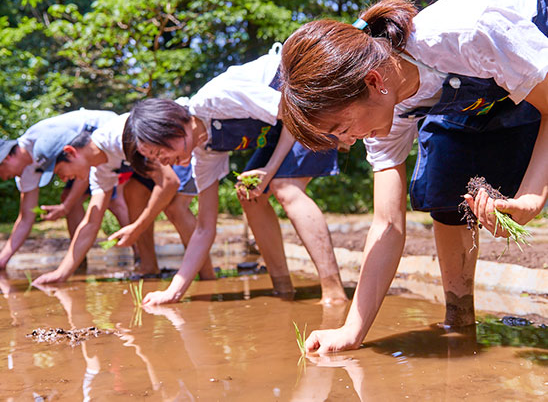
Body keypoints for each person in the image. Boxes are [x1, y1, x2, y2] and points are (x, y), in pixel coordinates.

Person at [278, 0, 548, 353]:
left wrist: (531, 198)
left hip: (537, 37)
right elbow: (387, 224)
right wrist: (351, 332)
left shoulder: (468, 33)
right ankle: (459, 318)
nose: (345, 143)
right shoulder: (387, 108)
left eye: (341, 127)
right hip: (474, 91)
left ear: (373, 81)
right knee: (444, 187)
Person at [114, 45, 347, 306]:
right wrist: (173, 292)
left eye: (160, 150)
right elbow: (204, 229)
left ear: (171, 124)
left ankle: (334, 292)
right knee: (249, 193)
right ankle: (283, 289)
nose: (164, 161)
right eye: (156, 159)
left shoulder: (216, 99)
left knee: (284, 185)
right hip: (282, 124)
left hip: (307, 99)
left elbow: (294, 113)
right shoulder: (205, 153)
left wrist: (269, 172)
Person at [32, 112, 215, 284]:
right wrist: (61, 273)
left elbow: (169, 182)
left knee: (175, 207)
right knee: (133, 192)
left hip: (184, 142)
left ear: (71, 152)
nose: (64, 179)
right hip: (160, 158)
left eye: (60, 172)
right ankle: (149, 269)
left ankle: (208, 278)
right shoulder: (100, 170)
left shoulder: (120, 138)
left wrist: (137, 228)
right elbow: (90, 223)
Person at [0, 109, 128, 268]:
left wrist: (65, 207)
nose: (3, 177)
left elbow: (83, 159)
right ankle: (77, 261)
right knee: (70, 198)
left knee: (113, 201)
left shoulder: (40, 137)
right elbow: (26, 217)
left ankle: (138, 254)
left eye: (0, 171)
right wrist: (3, 260)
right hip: (83, 159)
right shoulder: (25, 173)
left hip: (106, 139)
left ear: (7, 157)